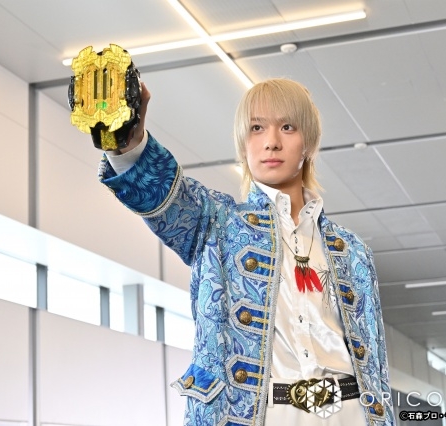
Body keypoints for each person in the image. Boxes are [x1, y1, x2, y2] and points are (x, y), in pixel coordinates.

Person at [98, 78, 394, 426]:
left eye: (287, 127)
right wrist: (126, 144)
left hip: (350, 413)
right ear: (243, 144)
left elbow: (375, 365)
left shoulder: (353, 251)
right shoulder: (216, 223)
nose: (271, 142)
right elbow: (166, 196)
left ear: (309, 143)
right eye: (257, 128)